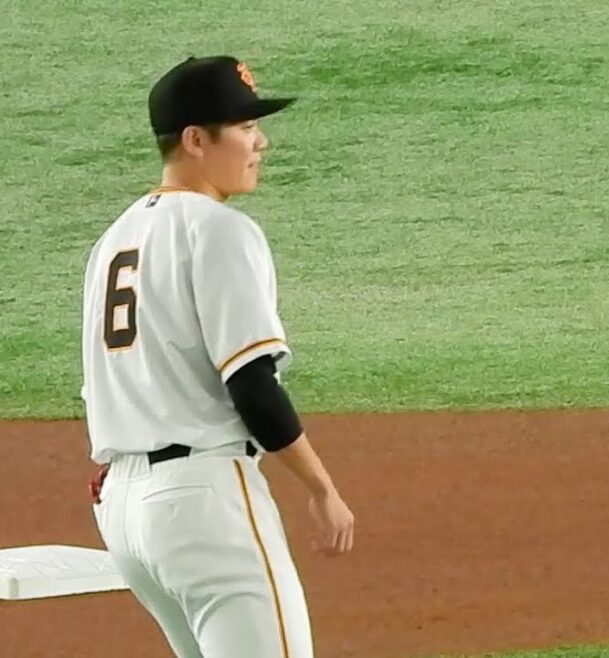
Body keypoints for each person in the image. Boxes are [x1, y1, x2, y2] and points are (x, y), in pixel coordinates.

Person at [81, 55, 355, 658]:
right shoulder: (219, 230)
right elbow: (253, 386)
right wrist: (321, 486)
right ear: (195, 140)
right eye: (245, 127)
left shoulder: (113, 241)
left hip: (127, 514)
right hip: (204, 501)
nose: (261, 141)